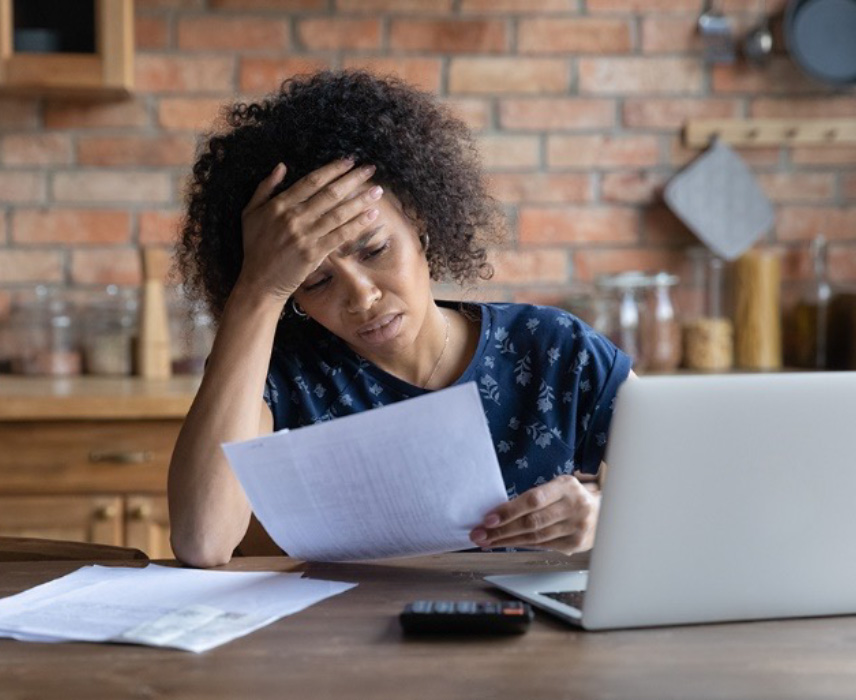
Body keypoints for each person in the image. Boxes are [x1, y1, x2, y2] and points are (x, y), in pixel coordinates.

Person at [168, 70, 633, 568]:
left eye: (374, 250)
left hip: (532, 639)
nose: (362, 296)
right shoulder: (281, 376)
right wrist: (258, 289)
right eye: (316, 281)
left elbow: (700, 492)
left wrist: (601, 515)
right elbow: (203, 540)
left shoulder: (555, 350)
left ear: (420, 225)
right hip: (346, 641)